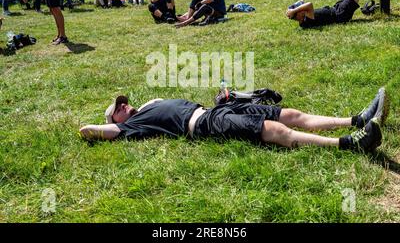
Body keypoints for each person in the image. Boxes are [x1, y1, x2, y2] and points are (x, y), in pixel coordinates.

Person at [79, 87, 388, 156]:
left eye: (123, 102)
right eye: (118, 107)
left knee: (291, 114)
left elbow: (154, 102)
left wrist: (137, 106)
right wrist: (109, 123)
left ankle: (357, 118)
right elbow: (90, 130)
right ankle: (352, 143)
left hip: (213, 112)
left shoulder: (146, 108)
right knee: (275, 131)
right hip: (204, 126)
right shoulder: (130, 127)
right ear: (115, 119)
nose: (124, 105)